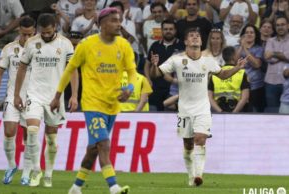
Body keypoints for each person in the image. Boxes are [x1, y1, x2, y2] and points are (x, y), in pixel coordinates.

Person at [50, 7, 137, 194]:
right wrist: (57, 96)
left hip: (112, 104)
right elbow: (69, 69)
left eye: (119, 19)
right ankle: (114, 187)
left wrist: (129, 88)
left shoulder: (124, 46)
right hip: (92, 103)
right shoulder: (86, 45)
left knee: (93, 150)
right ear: (101, 24)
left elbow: (132, 73)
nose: (118, 24)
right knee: (104, 144)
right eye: (114, 20)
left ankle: (75, 187)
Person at [150, 27, 246, 186]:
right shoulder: (177, 59)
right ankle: (190, 177)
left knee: (200, 139)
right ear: (186, 41)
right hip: (184, 109)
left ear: (201, 42)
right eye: (191, 36)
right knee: (188, 145)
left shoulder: (208, 61)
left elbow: (222, 75)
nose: (195, 38)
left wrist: (237, 68)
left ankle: (198, 175)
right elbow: (156, 74)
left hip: (202, 108)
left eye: (197, 36)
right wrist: (154, 65)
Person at [14, 13, 78, 187]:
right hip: (34, 94)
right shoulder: (31, 42)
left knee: (51, 139)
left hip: (55, 97)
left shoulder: (65, 44)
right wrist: (17, 94)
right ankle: (36, 170)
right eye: (43, 32)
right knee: (32, 130)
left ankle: (48, 174)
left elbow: (72, 70)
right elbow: (22, 68)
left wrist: (73, 95)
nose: (46, 35)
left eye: (49, 32)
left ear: (55, 27)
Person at [0, 16, 35, 186]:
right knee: (9, 131)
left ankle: (27, 172)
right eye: (23, 35)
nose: (26, 38)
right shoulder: (9, 49)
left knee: (29, 136)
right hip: (12, 96)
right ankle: (11, 166)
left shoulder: (41, 50)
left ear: (34, 32)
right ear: (19, 32)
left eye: (29, 34)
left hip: (33, 98)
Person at [144, 19, 184, 111]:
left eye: (171, 29)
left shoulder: (182, 45)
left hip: (173, 88)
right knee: (154, 112)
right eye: (165, 29)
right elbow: (147, 65)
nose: (168, 31)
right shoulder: (155, 45)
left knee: (171, 115)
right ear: (162, 30)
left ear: (175, 30)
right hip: (156, 86)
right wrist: (148, 80)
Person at [208, 46, 250, 113]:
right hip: (237, 111)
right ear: (234, 57)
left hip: (218, 112)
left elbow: (210, 97)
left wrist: (221, 112)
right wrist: (234, 113)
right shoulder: (242, 73)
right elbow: (245, 97)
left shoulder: (215, 73)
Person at [236, 24, 265, 112]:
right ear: (242, 35)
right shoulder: (236, 48)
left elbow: (257, 64)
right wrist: (241, 46)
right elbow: (233, 63)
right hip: (239, 87)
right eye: (247, 32)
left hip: (256, 87)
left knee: (255, 113)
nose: (249, 34)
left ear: (255, 35)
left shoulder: (259, 49)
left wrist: (245, 48)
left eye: (251, 32)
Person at [264, 15, 289, 113]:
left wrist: (273, 53)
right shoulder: (270, 41)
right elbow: (268, 58)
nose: (280, 27)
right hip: (271, 82)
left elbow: (273, 56)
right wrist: (284, 56)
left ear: (288, 26)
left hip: (287, 84)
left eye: (282, 24)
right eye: (278, 25)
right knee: (272, 114)